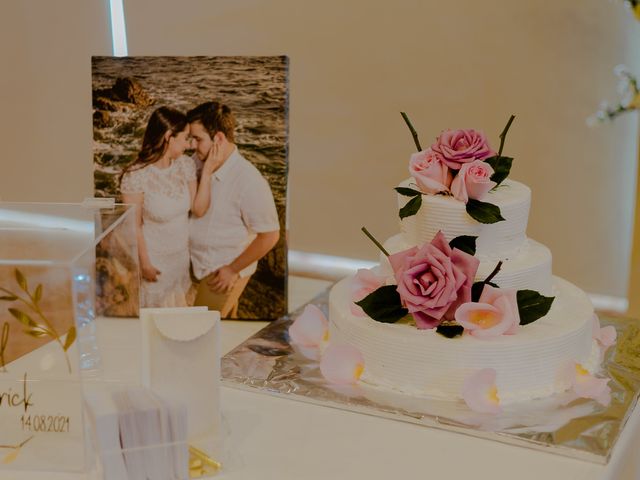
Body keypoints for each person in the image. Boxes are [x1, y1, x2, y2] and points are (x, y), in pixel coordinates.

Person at [187, 100, 280, 318]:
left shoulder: (249, 181)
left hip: (219, 273)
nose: (192, 145)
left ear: (218, 138)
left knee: (200, 332)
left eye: (197, 139)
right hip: (197, 265)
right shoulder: (198, 162)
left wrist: (232, 270)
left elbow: (270, 235)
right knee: (225, 329)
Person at [120, 106, 215, 307]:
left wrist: (206, 173)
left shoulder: (186, 166)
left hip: (181, 259)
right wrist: (145, 264)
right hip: (154, 262)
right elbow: (133, 226)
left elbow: (198, 209)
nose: (189, 145)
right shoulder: (135, 176)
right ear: (169, 137)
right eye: (185, 137)